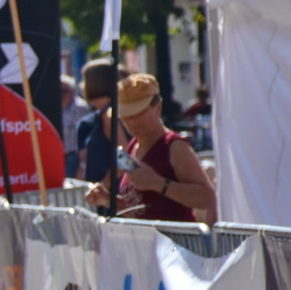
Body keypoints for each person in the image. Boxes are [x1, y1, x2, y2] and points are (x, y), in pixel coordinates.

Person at [83, 73, 215, 221]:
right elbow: (141, 209)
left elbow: (208, 197)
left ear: (157, 107)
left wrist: (159, 183)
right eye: (126, 115)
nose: (132, 121)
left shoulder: (174, 146)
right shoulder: (133, 145)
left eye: (139, 113)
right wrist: (110, 201)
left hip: (174, 242)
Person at [75, 58, 118, 186]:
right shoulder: (101, 115)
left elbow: (124, 156)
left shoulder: (110, 115)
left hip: (112, 194)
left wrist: (104, 186)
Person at [59, 75, 92, 180]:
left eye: (64, 91)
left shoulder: (80, 108)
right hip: (59, 156)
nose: (61, 94)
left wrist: (82, 165)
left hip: (74, 157)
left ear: (73, 91)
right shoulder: (57, 107)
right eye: (58, 91)